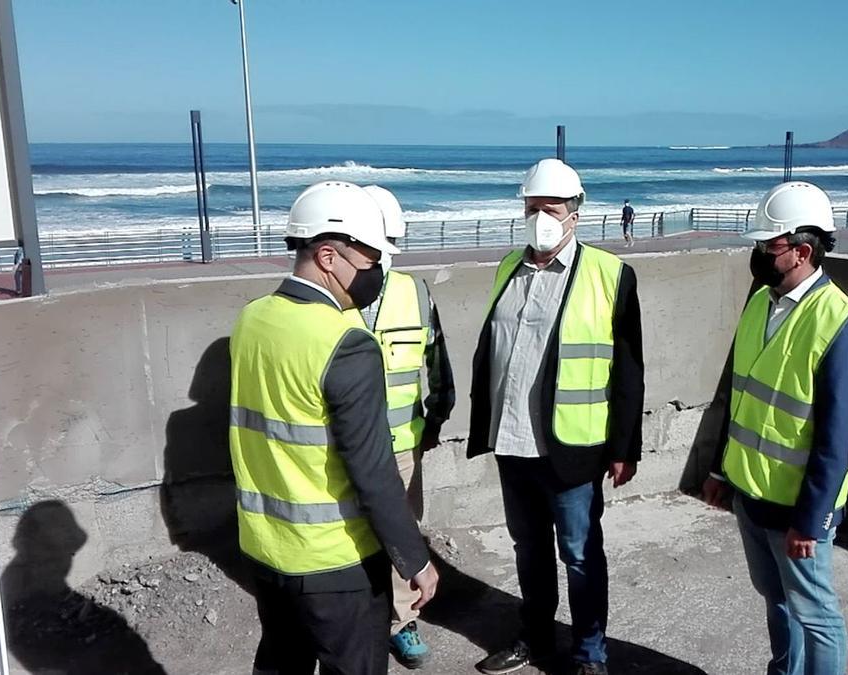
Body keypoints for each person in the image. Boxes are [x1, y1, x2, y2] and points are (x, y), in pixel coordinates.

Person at [229, 181, 439, 674]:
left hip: (264, 548)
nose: (375, 273)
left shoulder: (251, 320)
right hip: (335, 562)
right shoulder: (346, 342)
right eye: (368, 260)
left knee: (282, 663)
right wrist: (414, 560)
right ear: (328, 256)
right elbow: (373, 472)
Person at [469, 159, 644, 675]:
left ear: (575, 214)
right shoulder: (508, 268)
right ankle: (536, 637)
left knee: (582, 555)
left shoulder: (611, 274)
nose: (539, 218)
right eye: (531, 208)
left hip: (572, 448)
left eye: (549, 208)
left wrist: (623, 447)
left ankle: (591, 653)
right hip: (512, 441)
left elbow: (629, 370)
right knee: (529, 550)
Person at [702, 181, 848, 675]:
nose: (758, 253)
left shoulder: (840, 324)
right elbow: (737, 398)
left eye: (767, 245)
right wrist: (720, 471)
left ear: (801, 251)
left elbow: (839, 439)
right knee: (775, 600)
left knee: (817, 616)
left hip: (798, 512)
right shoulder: (761, 302)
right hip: (751, 496)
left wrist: (813, 519)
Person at [351, 185, 456, 669]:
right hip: (341, 448)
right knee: (347, 537)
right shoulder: (329, 298)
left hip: (400, 445)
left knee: (402, 535)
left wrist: (436, 416)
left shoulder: (413, 292)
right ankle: (353, 616)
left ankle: (401, 621)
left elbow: (436, 360)